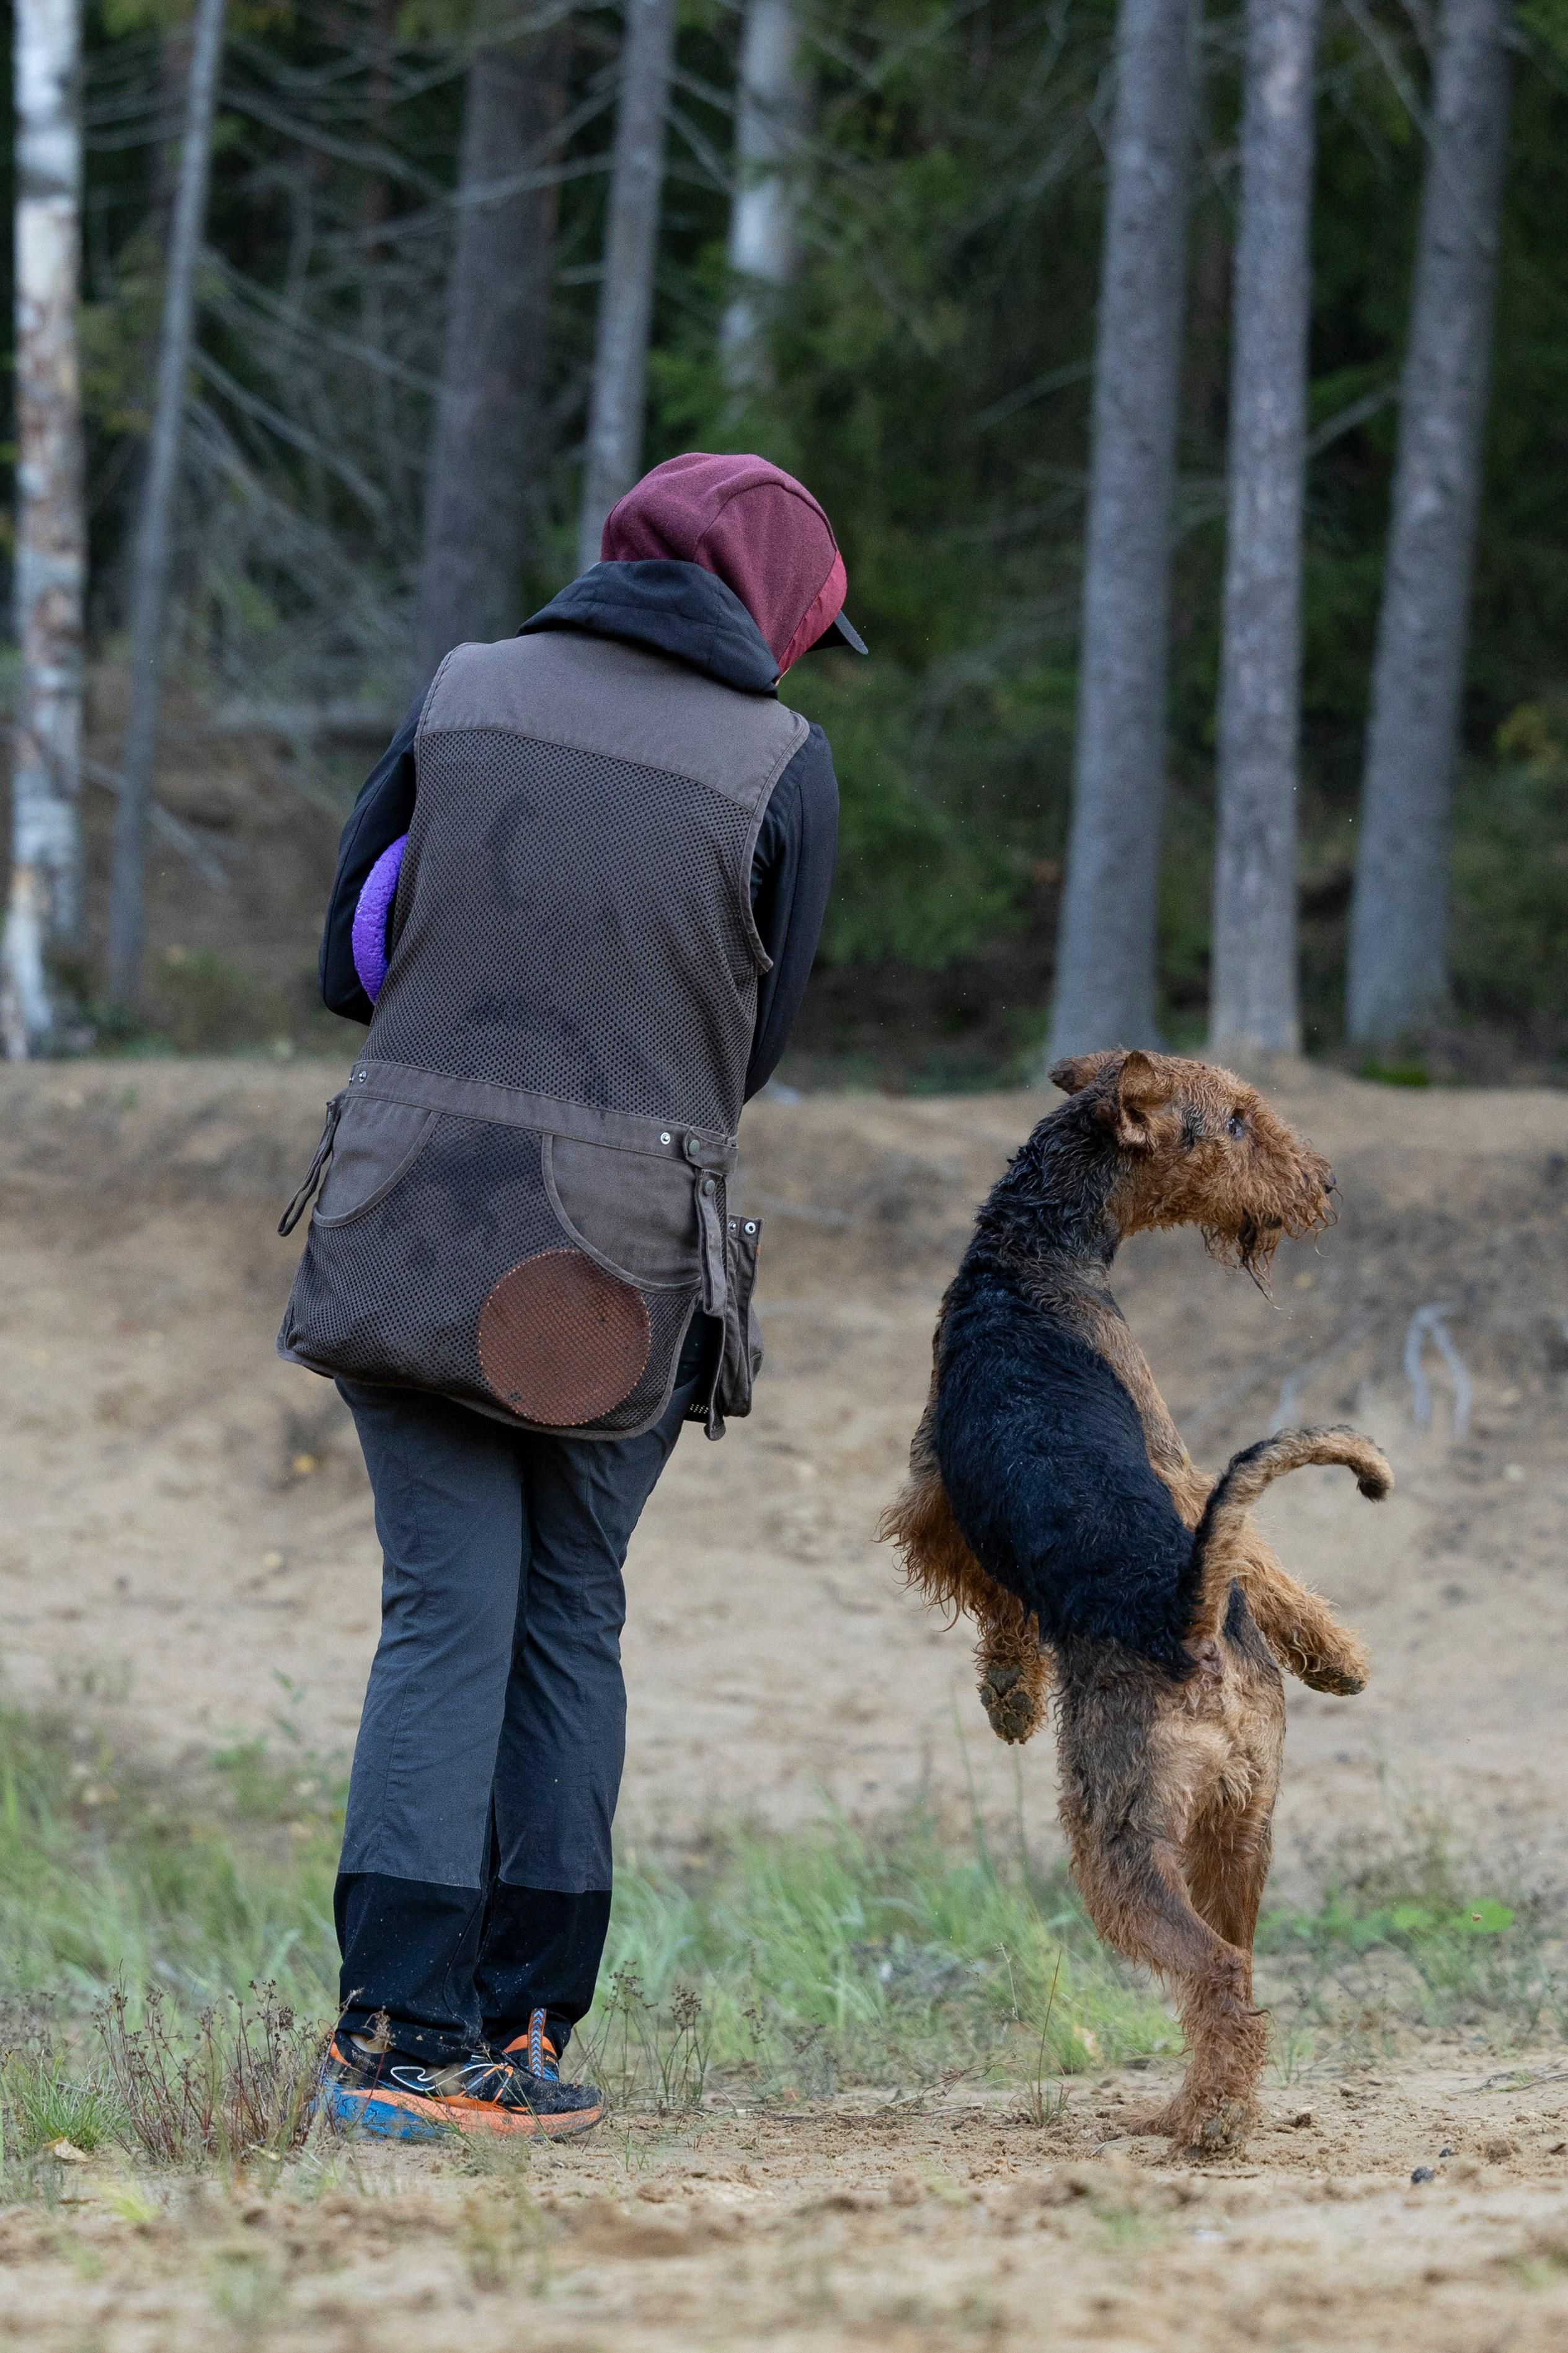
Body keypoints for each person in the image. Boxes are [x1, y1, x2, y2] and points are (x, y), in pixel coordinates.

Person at [283, 452, 860, 2139]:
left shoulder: (464, 693)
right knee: (566, 1613)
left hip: (412, 1224)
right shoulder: (784, 765)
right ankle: (523, 2026)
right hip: (619, 1267)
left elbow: (345, 960)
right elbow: (749, 1048)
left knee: (445, 1612)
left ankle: (396, 2040)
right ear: (768, 606)